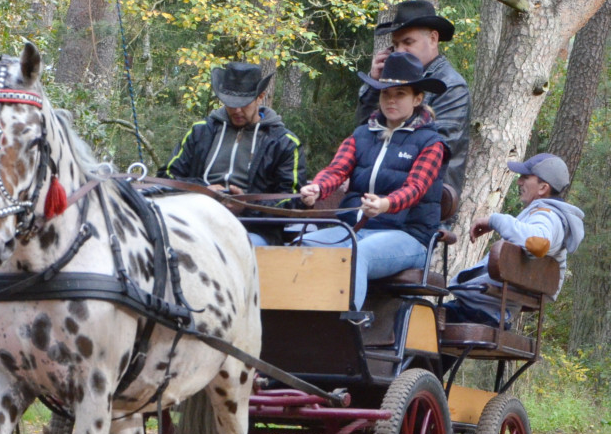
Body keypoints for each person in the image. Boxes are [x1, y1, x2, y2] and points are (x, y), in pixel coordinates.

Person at [298, 51, 448, 311]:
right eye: (385, 94)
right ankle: (295, 322)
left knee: (358, 254)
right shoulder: (361, 134)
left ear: (418, 98)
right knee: (302, 246)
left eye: (399, 94)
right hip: (354, 231)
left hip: (408, 237)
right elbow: (336, 170)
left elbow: (415, 189)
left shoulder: (432, 143)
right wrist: (317, 187)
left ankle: (345, 329)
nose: (391, 100)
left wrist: (385, 204)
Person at [159, 61, 307, 245]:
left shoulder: (284, 143)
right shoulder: (200, 132)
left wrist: (245, 205)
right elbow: (167, 177)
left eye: (244, 104)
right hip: (194, 221)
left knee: (236, 247)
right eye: (230, 104)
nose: (237, 110)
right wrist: (203, 191)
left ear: (260, 97)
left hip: (252, 229)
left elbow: (291, 202)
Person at [443, 153, 585, 327]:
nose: (519, 182)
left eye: (525, 177)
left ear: (543, 188)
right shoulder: (544, 215)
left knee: (414, 319)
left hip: (479, 311)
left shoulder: (548, 216)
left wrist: (495, 220)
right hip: (484, 309)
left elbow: (539, 243)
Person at [356, 0, 470, 197]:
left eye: (408, 42)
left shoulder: (452, 86)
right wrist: (375, 86)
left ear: (433, 39)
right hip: (378, 196)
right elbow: (362, 135)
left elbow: (436, 153)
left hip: (424, 203)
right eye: (395, 44)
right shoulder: (389, 82)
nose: (399, 51)